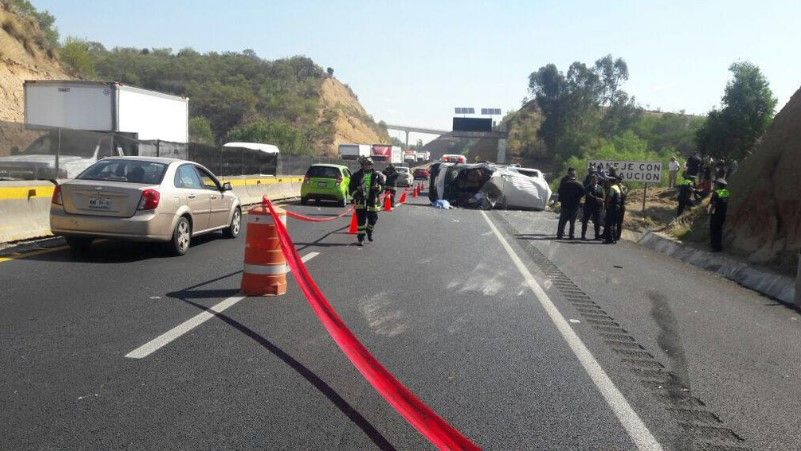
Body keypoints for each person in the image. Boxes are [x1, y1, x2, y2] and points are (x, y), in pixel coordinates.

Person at [349, 156, 385, 246]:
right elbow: (350, 189)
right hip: (360, 201)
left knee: (373, 219)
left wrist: (378, 188)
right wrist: (357, 193)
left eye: (369, 164)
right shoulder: (356, 175)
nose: (368, 166)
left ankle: (369, 230)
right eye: (366, 165)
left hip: (372, 201)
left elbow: (382, 186)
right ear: (362, 165)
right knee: (361, 221)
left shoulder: (376, 175)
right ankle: (361, 238)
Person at [556, 168, 585, 239]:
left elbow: (559, 191)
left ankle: (560, 234)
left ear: (569, 175)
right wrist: (578, 198)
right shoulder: (579, 184)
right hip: (575, 206)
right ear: (575, 176)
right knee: (572, 222)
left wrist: (562, 199)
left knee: (562, 221)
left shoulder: (565, 184)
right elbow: (583, 193)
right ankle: (571, 235)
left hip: (565, 205)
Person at [708, 179, 730, 252]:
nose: (715, 185)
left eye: (716, 184)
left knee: (713, 230)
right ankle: (719, 246)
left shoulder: (716, 193)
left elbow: (713, 204)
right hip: (723, 214)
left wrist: (709, 212)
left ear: (718, 185)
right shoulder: (726, 192)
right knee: (719, 230)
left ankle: (714, 247)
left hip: (716, 214)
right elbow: (726, 202)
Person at [581, 173, 604, 240]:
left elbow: (602, 196)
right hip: (588, 206)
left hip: (597, 207)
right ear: (591, 180)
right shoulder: (588, 187)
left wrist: (602, 201)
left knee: (597, 222)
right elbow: (588, 195)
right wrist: (596, 198)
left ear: (597, 180)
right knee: (585, 221)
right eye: (593, 179)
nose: (594, 181)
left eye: (595, 179)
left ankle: (597, 236)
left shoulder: (600, 188)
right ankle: (583, 235)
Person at [603, 175, 623, 244]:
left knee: (609, 223)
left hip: (612, 207)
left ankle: (609, 239)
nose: (607, 182)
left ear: (610, 182)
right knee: (614, 223)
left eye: (608, 181)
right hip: (617, 207)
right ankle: (614, 238)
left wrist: (607, 205)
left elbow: (610, 198)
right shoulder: (617, 187)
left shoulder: (612, 188)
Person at [615, 177, 628, 241]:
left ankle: (618, 236)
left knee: (619, 222)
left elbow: (624, 195)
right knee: (613, 221)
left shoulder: (624, 188)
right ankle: (613, 235)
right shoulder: (614, 188)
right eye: (617, 181)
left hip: (621, 206)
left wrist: (620, 188)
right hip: (615, 206)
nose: (617, 182)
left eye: (619, 181)